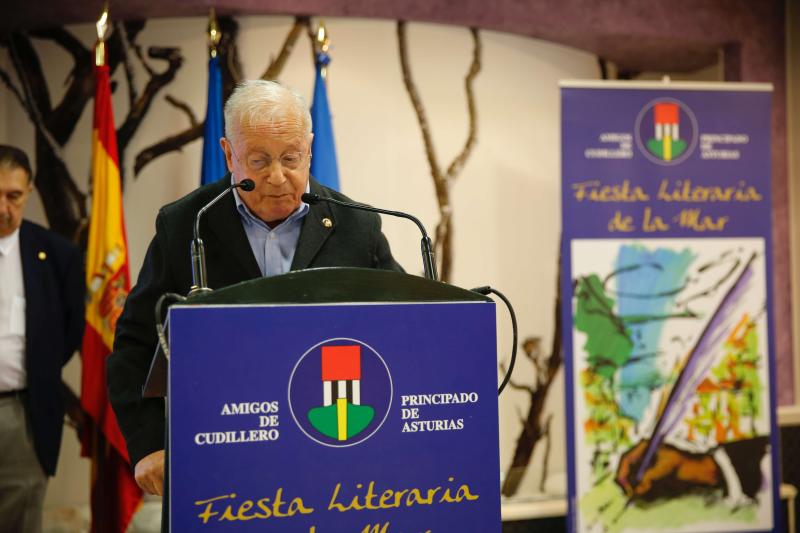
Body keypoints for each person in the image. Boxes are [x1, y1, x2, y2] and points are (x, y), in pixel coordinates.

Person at [107, 80, 402, 503]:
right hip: (219, 449)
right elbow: (136, 344)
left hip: (331, 445)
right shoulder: (186, 224)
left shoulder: (357, 225)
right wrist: (149, 442)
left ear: (310, 149)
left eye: (290, 158)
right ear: (229, 154)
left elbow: (402, 328)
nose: (277, 177)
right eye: (259, 161)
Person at [0, 145, 84, 532]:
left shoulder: (57, 255)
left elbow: (68, 332)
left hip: (22, 414)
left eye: (13, 196)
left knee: (21, 518)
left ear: (29, 191)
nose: (3, 208)